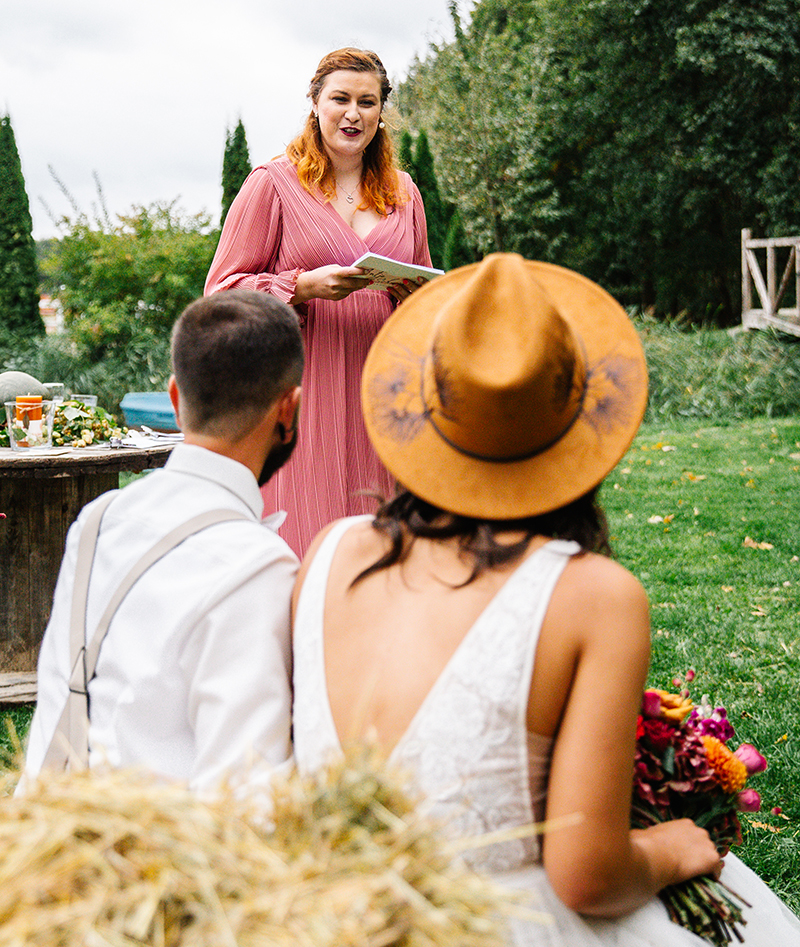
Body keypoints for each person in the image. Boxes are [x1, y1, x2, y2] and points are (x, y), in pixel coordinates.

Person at [291, 254, 800, 944]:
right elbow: (587, 876)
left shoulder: (331, 550)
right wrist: (676, 847)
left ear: (423, 405)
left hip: (331, 915)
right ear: (581, 420)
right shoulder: (595, 596)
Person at [21, 289, 303, 793]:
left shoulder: (100, 520)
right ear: (289, 407)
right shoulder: (258, 565)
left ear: (174, 399)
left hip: (59, 823)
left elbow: (57, 705)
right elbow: (245, 792)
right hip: (164, 841)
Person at [204, 47, 433, 558]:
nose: (353, 114)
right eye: (340, 99)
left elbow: (425, 294)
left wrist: (416, 296)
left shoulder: (405, 193)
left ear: (381, 111)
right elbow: (219, 293)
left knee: (381, 545)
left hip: (383, 390)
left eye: (367, 102)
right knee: (302, 538)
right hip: (303, 388)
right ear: (315, 102)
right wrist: (301, 286)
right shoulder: (272, 184)